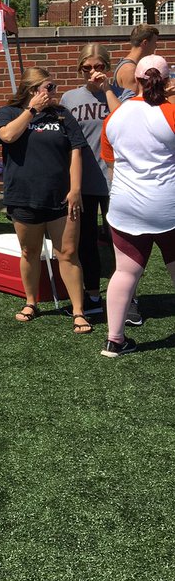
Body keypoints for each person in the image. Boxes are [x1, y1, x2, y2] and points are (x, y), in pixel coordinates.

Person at [0, 67, 92, 333]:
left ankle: (78, 311)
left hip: (60, 197)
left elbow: (76, 151)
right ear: (33, 89)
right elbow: (7, 136)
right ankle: (31, 302)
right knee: (29, 252)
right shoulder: (9, 113)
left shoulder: (62, 115)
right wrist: (31, 110)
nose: (53, 92)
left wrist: (75, 189)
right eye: (49, 87)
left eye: (53, 87)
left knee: (67, 253)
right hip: (24, 195)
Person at [99, 55, 175, 357]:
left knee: (125, 272)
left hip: (125, 205)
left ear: (136, 81)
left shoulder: (115, 117)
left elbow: (111, 166)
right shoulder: (171, 112)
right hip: (167, 205)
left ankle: (114, 341)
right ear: (167, 81)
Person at [60, 43, 137, 320]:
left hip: (118, 182)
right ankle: (92, 295)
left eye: (99, 66)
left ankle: (129, 300)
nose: (93, 72)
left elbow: (124, 122)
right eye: (87, 67)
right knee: (86, 242)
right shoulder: (69, 98)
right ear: (80, 69)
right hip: (84, 184)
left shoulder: (124, 95)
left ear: (107, 66)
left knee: (123, 244)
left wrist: (106, 90)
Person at [112, 24, 159, 97]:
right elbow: (133, 101)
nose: (156, 46)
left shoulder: (130, 65)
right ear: (145, 43)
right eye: (154, 42)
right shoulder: (130, 69)